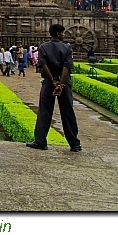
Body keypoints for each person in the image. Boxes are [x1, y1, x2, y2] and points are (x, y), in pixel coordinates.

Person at [27, 24, 82, 152]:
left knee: (44, 111)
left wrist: (53, 81)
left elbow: (43, 65)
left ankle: (40, 141)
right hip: (64, 82)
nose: (64, 35)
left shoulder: (43, 47)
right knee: (68, 112)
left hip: (49, 81)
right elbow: (66, 67)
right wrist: (61, 84)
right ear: (58, 34)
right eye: (62, 33)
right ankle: (74, 144)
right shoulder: (67, 47)